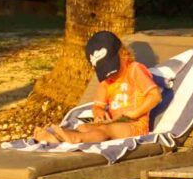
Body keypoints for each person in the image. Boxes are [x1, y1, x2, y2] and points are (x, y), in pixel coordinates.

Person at [32, 31, 166, 144]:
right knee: (83, 127)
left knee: (105, 131)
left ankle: (76, 139)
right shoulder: (106, 81)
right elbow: (98, 106)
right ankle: (56, 138)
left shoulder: (134, 70)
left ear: (123, 53)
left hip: (135, 126)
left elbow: (155, 96)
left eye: (113, 67)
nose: (110, 74)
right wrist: (99, 113)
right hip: (113, 123)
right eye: (105, 69)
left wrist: (135, 113)